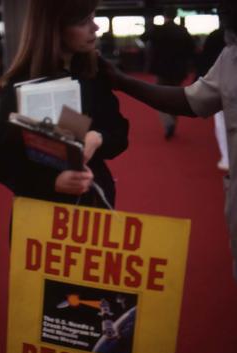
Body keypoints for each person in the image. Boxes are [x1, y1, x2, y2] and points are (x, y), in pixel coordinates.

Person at [101, 0, 237, 279]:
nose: (220, 6)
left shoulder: (165, 32)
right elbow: (192, 99)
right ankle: (168, 121)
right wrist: (124, 82)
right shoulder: (229, 56)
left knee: (168, 100)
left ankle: (167, 123)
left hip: (164, 69)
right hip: (177, 72)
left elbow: (146, 39)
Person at [0, 0, 129, 212]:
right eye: (83, 21)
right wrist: (52, 183)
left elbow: (119, 134)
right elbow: (2, 162)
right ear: (53, 28)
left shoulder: (94, 75)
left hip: (94, 207)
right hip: (43, 217)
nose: (95, 27)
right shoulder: (19, 85)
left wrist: (98, 138)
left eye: (93, 16)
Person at [143, 7, 195, 139]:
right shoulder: (182, 30)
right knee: (175, 97)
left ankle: (168, 122)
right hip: (179, 70)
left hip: (162, 69)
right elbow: (191, 49)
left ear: (164, 16)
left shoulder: (159, 29)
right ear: (176, 16)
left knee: (158, 98)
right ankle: (172, 122)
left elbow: (143, 37)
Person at [196, 26, 229, 171]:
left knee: (221, 121)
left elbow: (205, 59)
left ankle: (227, 158)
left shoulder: (215, 36)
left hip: (222, 85)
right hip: (223, 85)